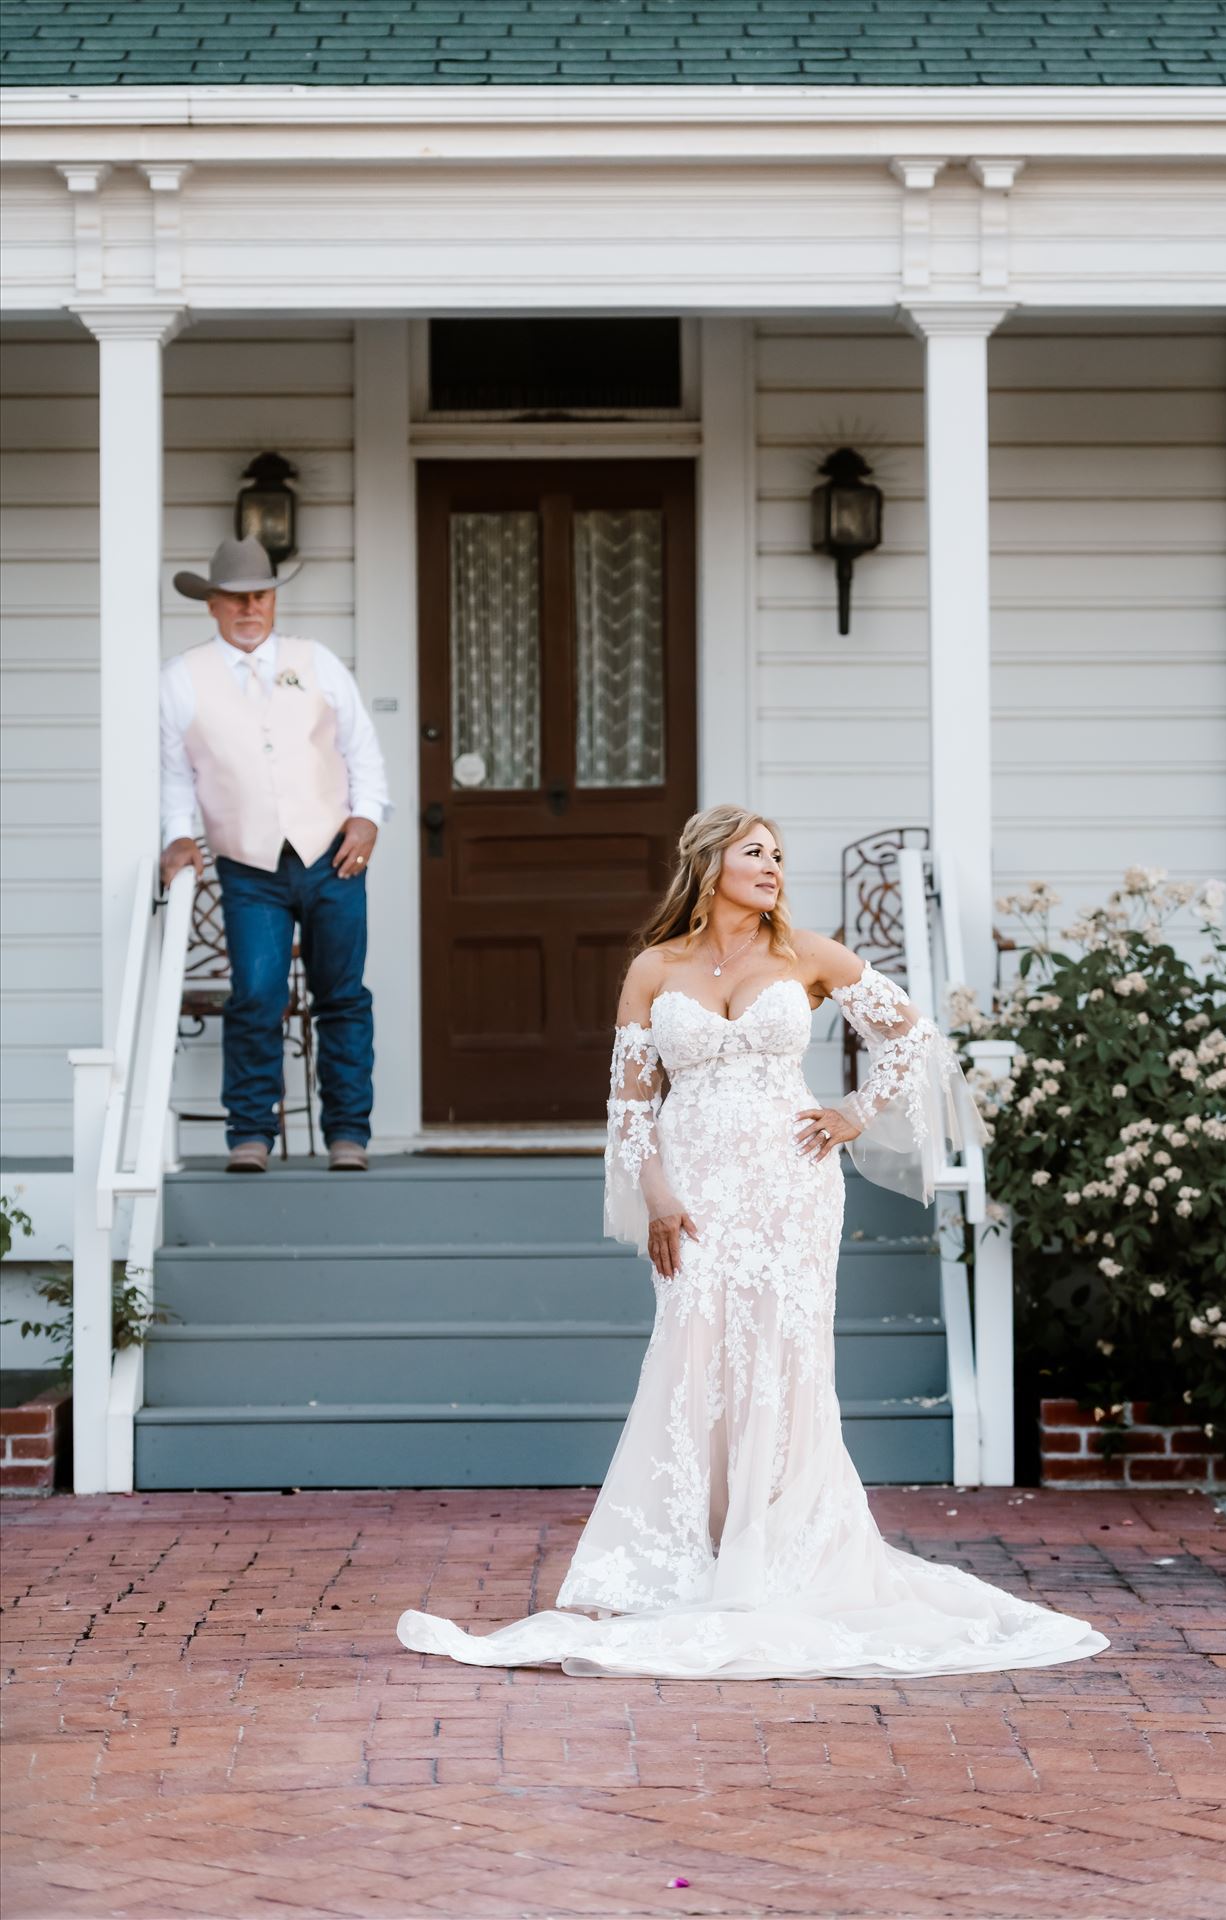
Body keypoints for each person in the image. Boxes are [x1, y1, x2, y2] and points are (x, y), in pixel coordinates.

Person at [397, 804, 1109, 1680]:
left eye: (778, 853)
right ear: (708, 864)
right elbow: (630, 1100)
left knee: (786, 1355)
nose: (772, 866)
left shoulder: (806, 954)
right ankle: (682, 1553)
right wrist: (655, 1192)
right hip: (694, 1192)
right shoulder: (653, 969)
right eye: (754, 853)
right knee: (692, 1352)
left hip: (791, 1185)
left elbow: (911, 1035)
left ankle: (777, 1550)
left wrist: (855, 1112)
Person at [160, 536, 390, 1175]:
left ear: (272, 599)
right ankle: (250, 1134)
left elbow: (361, 748)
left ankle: (348, 1133)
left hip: (331, 856)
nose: (248, 608)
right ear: (212, 605)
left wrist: (367, 818)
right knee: (257, 995)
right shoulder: (182, 678)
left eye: (258, 596)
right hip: (247, 866)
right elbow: (172, 773)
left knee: (341, 995)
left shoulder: (315, 661)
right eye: (234, 598)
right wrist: (178, 834)